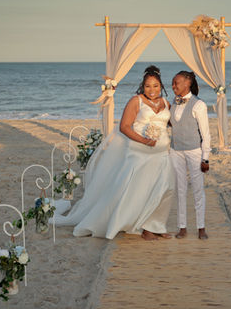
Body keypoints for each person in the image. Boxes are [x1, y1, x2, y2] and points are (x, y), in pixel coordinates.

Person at [52, 65, 175, 240]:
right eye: (148, 86)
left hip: (162, 154)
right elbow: (124, 127)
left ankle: (156, 225)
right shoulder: (136, 101)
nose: (152, 89)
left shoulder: (165, 103)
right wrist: (145, 141)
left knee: (164, 188)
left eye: (155, 85)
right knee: (139, 190)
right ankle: (139, 226)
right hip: (140, 153)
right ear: (142, 86)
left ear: (161, 86)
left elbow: (171, 123)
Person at [170, 71, 211, 240]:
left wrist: (205, 158)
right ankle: (182, 227)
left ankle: (201, 227)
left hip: (194, 151)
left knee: (197, 188)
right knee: (180, 189)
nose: (173, 86)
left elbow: (206, 133)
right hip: (175, 150)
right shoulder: (173, 102)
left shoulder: (198, 105)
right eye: (172, 83)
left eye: (176, 83)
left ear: (187, 83)